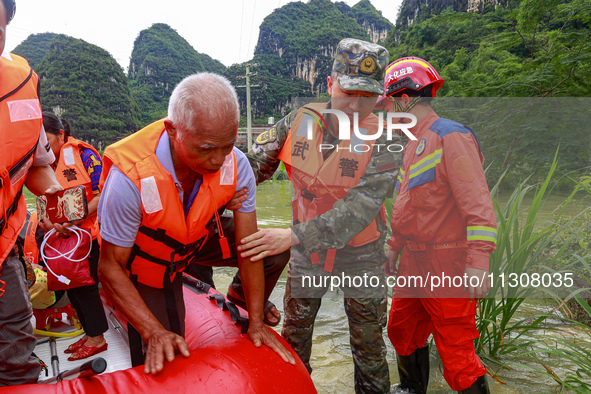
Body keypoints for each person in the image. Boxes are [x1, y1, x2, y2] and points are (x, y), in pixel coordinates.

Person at [97, 72, 295, 375]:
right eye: (206, 148)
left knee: (270, 247)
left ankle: (237, 303)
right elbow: (110, 266)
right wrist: (153, 330)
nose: (218, 160)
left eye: (227, 146)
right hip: (148, 263)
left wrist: (255, 321)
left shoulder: (237, 163)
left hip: (195, 241)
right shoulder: (129, 178)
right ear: (173, 131)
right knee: (170, 356)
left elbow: (248, 245)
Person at [237, 38, 400, 393]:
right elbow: (250, 168)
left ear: (380, 97)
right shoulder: (299, 121)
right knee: (294, 338)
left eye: (367, 96)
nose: (357, 105)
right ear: (330, 84)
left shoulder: (387, 140)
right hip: (309, 256)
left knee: (369, 348)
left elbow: (358, 210)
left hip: (362, 255)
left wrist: (291, 237)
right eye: (349, 92)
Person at [383, 57, 496, 393]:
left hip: (448, 262)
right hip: (412, 261)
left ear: (404, 99)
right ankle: (410, 389)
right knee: (401, 329)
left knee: (457, 352)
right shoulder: (412, 145)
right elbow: (406, 206)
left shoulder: (452, 137)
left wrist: (479, 262)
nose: (387, 111)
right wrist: (393, 249)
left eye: (389, 103)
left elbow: (478, 204)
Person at [0, 0, 65, 385]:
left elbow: (36, 165)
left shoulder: (22, 88)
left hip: (3, 248)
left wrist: (56, 195)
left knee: (16, 343)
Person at [43, 112, 109, 360]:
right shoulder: (46, 164)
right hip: (63, 237)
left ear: (61, 134)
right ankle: (89, 332)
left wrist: (76, 220)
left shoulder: (85, 154)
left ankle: (97, 338)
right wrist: (48, 223)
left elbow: (103, 193)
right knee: (71, 285)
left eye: (47, 142)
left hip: (88, 234)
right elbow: (43, 202)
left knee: (86, 286)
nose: (44, 149)